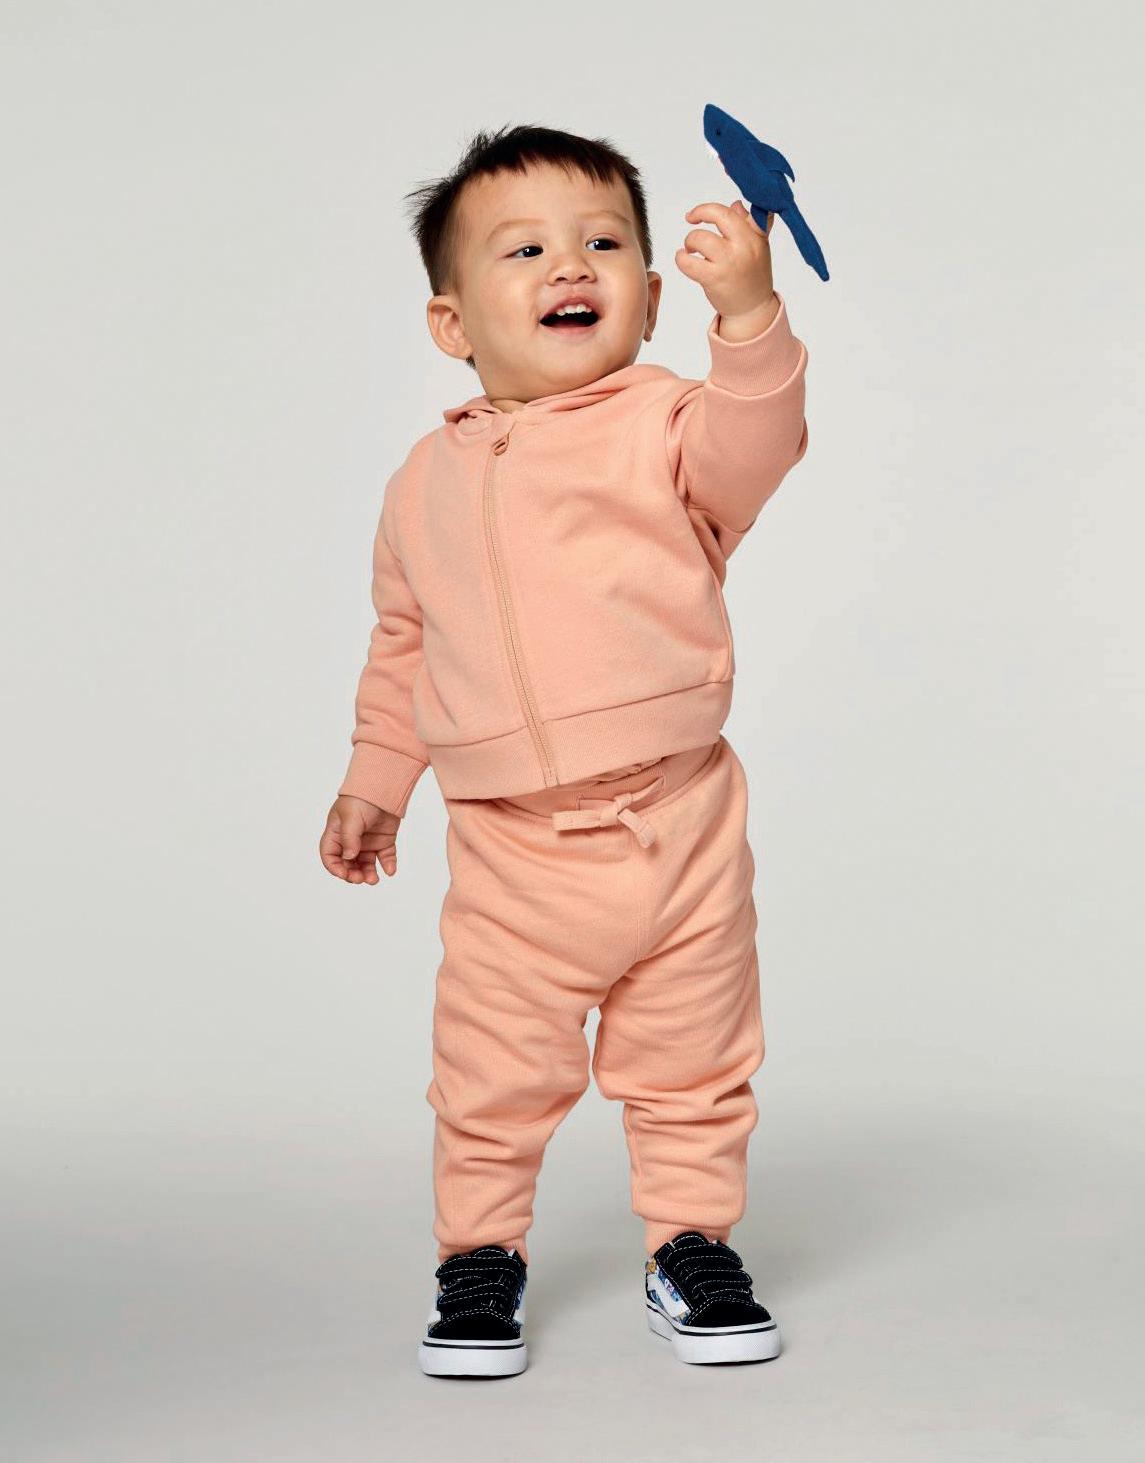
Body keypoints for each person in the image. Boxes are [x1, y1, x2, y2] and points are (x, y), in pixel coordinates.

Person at [318, 123, 810, 1377]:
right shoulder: (421, 482)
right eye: (524, 249)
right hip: (512, 847)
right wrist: (376, 780)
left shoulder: (669, 426)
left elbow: (757, 441)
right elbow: (405, 642)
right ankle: (478, 1255)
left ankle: (690, 1244)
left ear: (647, 296)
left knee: (694, 1059)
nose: (569, 265)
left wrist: (748, 318)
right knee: (489, 1070)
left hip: (678, 822)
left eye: (600, 242)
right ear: (451, 322)